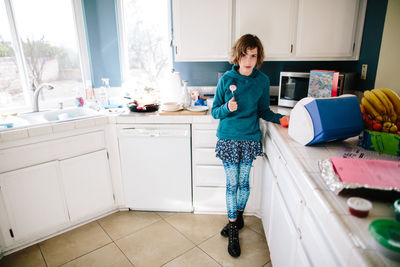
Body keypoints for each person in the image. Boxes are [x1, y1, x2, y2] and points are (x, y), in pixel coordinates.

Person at [211, 34, 288, 258]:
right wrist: (227, 108)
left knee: (244, 183)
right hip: (228, 139)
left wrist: (280, 118)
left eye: (253, 56)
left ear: (258, 57)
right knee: (231, 183)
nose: (248, 60)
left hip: (249, 139)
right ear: (237, 55)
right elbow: (215, 111)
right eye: (244, 55)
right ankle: (234, 228)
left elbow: (264, 111)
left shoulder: (262, 81)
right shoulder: (226, 79)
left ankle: (238, 217)